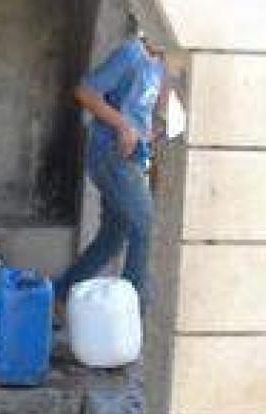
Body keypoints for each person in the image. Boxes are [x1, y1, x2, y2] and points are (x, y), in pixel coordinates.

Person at [54, 31, 166, 314]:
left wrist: (151, 130)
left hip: (133, 157)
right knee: (144, 221)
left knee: (112, 237)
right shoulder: (131, 53)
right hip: (110, 154)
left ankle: (58, 294)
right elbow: (85, 91)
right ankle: (133, 311)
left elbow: (145, 107)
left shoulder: (162, 61)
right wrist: (123, 125)